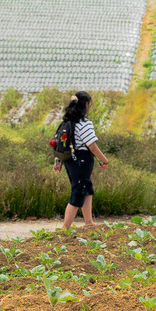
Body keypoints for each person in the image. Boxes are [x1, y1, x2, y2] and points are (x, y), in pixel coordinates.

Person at [53, 90, 108, 227]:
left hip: (70, 161)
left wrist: (58, 161)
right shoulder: (84, 123)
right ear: (86, 105)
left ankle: (89, 222)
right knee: (78, 192)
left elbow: (60, 144)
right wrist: (104, 160)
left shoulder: (67, 122)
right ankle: (65, 228)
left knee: (86, 189)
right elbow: (92, 146)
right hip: (81, 161)